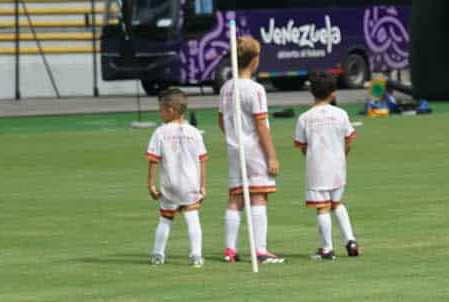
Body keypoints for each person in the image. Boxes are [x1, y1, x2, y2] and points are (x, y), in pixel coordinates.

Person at [217, 36, 284, 264]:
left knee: (236, 196)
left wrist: (233, 136)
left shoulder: (226, 88)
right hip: (254, 149)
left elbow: (220, 120)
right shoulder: (255, 90)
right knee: (258, 195)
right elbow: (260, 125)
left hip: (234, 149)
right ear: (254, 61)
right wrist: (272, 156)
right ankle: (260, 249)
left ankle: (230, 250)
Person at [294, 70, 361, 260]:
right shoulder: (341, 114)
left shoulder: (304, 118)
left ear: (311, 91)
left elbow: (302, 146)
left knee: (322, 207)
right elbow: (348, 140)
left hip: (317, 169)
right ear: (334, 93)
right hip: (338, 167)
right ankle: (351, 241)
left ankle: (327, 249)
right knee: (337, 203)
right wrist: (342, 154)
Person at [145, 88, 207, 268]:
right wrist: (203, 185)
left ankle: (158, 254)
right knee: (192, 218)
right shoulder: (195, 132)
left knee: (165, 219)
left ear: (171, 110)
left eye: (161, 110)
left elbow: (153, 160)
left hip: (169, 185)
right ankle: (196, 255)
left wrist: (150, 184)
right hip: (190, 184)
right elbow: (202, 160)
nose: (159, 113)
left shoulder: (160, 132)